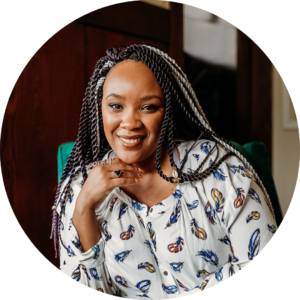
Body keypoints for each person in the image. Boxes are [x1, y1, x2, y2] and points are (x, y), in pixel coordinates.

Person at [50, 44, 277, 298]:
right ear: (99, 108)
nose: (130, 123)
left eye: (148, 107)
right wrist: (83, 212)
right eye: (115, 106)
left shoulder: (217, 168)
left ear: (168, 111)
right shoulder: (79, 190)